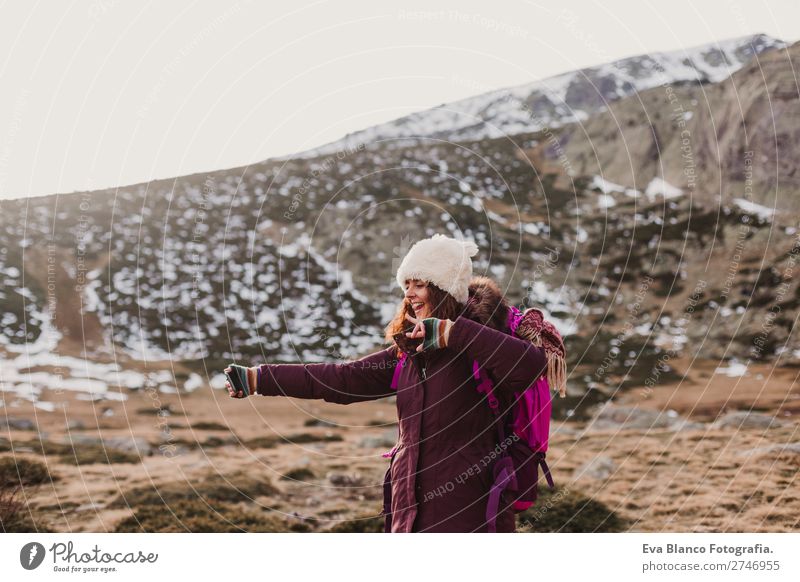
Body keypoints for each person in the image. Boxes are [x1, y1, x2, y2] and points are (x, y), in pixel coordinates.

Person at [224, 234, 548, 532]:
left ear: (444, 287)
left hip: (470, 512)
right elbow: (343, 379)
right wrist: (260, 378)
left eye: (420, 283)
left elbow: (531, 367)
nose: (409, 293)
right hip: (407, 510)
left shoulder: (484, 344)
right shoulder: (408, 352)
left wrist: (455, 334)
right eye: (406, 284)